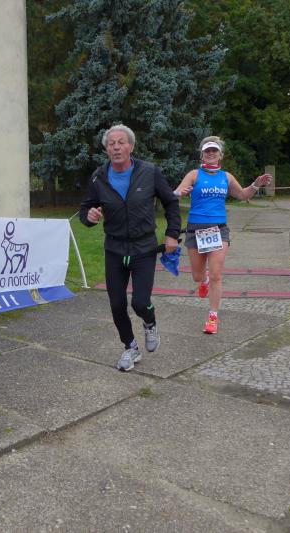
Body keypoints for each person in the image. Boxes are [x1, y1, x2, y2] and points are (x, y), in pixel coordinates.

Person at [79, 124, 181, 371]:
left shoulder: (149, 172)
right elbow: (86, 209)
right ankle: (131, 347)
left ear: (131, 147)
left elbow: (171, 203)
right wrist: (89, 217)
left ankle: (150, 323)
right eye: (111, 143)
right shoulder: (99, 177)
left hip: (143, 248)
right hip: (114, 248)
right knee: (116, 304)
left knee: (140, 302)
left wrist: (172, 234)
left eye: (121, 142)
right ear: (106, 149)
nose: (116, 147)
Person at [173, 136, 272, 334]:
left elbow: (242, 195)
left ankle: (213, 317)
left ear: (220, 155)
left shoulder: (226, 177)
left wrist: (256, 184)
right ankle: (204, 281)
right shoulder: (194, 174)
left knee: (216, 274)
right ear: (202, 155)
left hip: (218, 229)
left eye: (214, 151)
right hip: (195, 229)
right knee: (197, 276)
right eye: (207, 151)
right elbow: (175, 193)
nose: (211, 154)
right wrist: (180, 194)